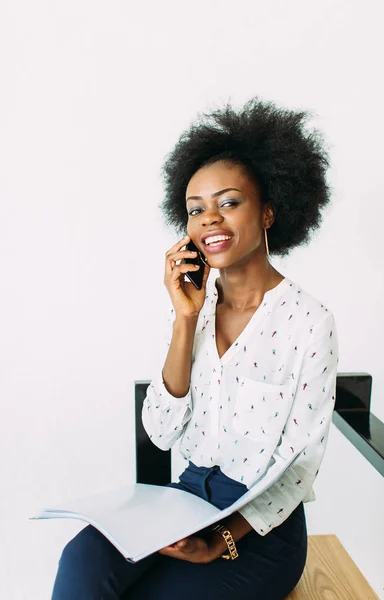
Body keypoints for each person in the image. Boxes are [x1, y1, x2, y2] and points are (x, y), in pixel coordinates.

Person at [51, 98, 339, 600]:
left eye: (228, 202)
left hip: (259, 530)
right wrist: (185, 319)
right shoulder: (195, 309)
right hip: (185, 499)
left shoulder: (308, 323)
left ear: (269, 210)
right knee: (83, 558)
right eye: (195, 209)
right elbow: (161, 432)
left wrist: (222, 538)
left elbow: (299, 468)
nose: (209, 219)